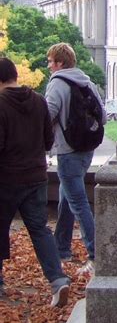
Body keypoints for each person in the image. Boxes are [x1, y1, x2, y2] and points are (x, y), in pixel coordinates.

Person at [0, 57, 69, 307]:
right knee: (40, 230)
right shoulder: (39, 101)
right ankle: (58, 280)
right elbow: (48, 140)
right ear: (15, 75)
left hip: (6, 179)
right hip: (37, 176)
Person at [45, 42, 105, 275]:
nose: (49, 65)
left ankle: (96, 254)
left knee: (78, 202)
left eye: (50, 61)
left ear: (60, 63)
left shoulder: (58, 83)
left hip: (68, 150)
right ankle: (62, 248)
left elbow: (47, 114)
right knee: (66, 198)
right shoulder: (86, 80)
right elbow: (102, 116)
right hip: (86, 149)